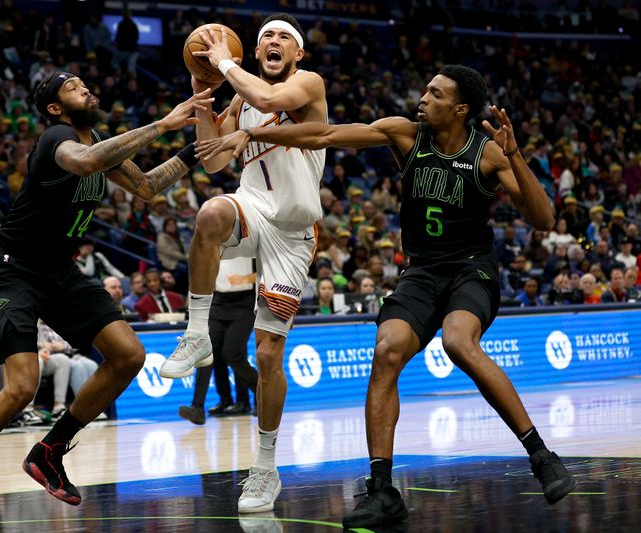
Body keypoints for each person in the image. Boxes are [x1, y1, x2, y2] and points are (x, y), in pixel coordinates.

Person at [199, 64, 575, 527]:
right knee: (386, 351)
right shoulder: (404, 134)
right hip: (420, 273)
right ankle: (382, 489)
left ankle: (541, 455)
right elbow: (326, 135)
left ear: (460, 108)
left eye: (435, 93)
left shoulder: (488, 154)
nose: (423, 96)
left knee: (459, 341)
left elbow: (543, 219)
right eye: (425, 88)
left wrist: (515, 156)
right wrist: (259, 136)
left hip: (470, 271)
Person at [0, 70, 212, 533]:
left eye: (84, 84)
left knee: (128, 354)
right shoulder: (58, 138)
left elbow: (149, 187)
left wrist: (196, 149)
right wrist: (165, 125)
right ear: (55, 107)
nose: (87, 88)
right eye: (73, 88)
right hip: (11, 269)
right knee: (21, 387)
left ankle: (50, 450)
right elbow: (88, 161)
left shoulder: (100, 143)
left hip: (58, 271)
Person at [159, 14, 327, 514]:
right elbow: (212, 162)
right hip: (253, 209)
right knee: (211, 210)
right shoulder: (238, 95)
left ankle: (265, 467)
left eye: (283, 39)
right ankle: (196, 333)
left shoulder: (306, 84)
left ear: (297, 54)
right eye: (265, 39)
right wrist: (205, 96)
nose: (273, 43)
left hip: (294, 231)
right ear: (256, 53)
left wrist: (226, 63)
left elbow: (271, 102)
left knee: (269, 355)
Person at [179, 257, 259, 425]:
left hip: (245, 303)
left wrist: (245, 279)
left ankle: (261, 393)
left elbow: (267, 272)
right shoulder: (213, 242)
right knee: (205, 353)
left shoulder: (251, 237)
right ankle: (197, 408)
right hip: (218, 302)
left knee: (232, 353)